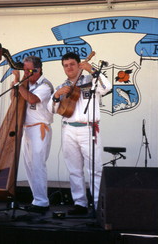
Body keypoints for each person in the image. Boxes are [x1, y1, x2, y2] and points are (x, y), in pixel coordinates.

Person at [48, 52, 111, 215]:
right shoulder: (62, 86)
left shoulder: (91, 81)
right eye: (65, 65)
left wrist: (92, 70)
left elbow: (107, 87)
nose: (69, 68)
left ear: (78, 65)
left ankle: (97, 205)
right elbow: (53, 110)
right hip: (68, 129)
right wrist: (56, 95)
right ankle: (80, 204)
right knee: (74, 169)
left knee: (95, 169)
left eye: (72, 64)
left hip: (88, 129)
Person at [12, 56, 54, 214]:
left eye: (30, 70)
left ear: (39, 69)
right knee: (29, 166)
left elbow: (32, 99)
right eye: (25, 70)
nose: (27, 73)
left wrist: (18, 82)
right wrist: (19, 85)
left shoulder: (45, 85)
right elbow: (15, 100)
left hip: (39, 128)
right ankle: (37, 199)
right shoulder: (26, 84)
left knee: (38, 165)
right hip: (27, 129)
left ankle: (42, 202)